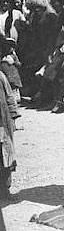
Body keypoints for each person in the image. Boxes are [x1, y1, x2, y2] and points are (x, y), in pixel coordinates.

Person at [0, 68, 19, 201]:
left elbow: (9, 96)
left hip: (2, 124)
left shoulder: (0, 76)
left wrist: (12, 115)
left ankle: (5, 190)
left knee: (4, 157)